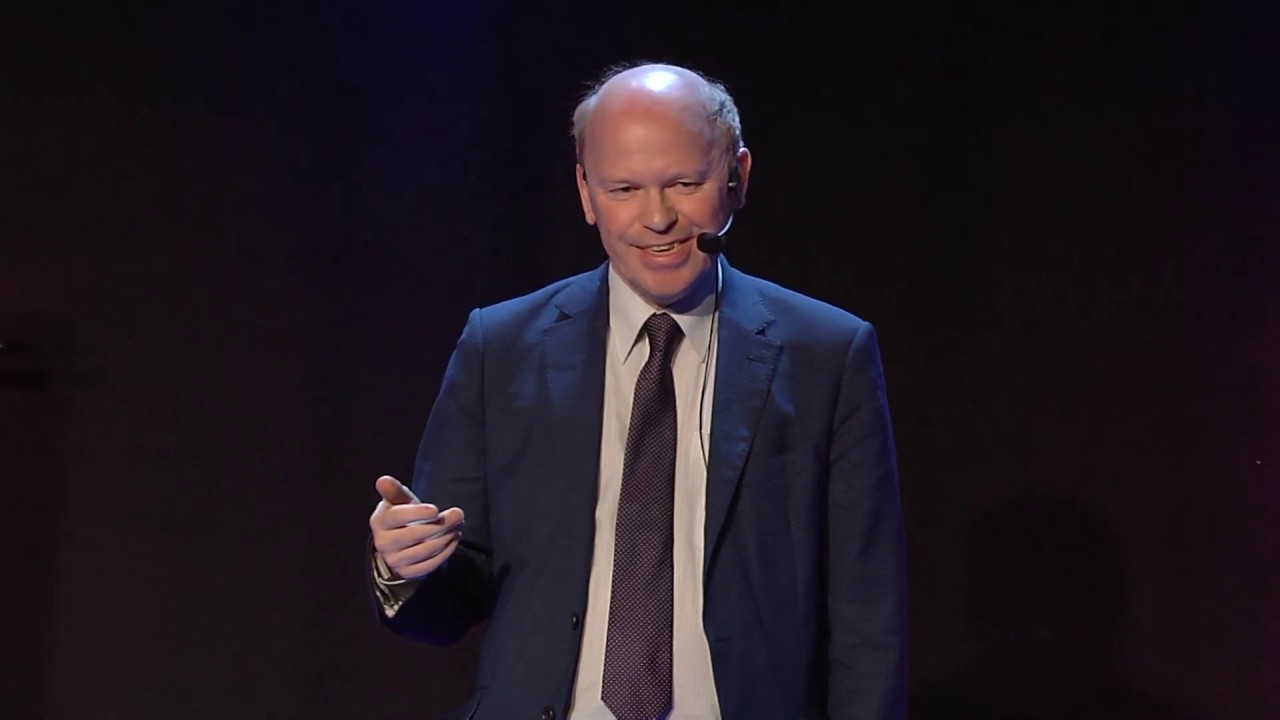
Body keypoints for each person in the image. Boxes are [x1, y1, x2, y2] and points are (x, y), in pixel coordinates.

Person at [367, 61, 908, 720]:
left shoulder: (827, 354)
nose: (657, 218)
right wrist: (406, 566)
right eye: (623, 188)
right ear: (585, 192)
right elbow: (447, 610)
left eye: (685, 183)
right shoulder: (500, 348)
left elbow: (867, 617)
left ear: (737, 176)